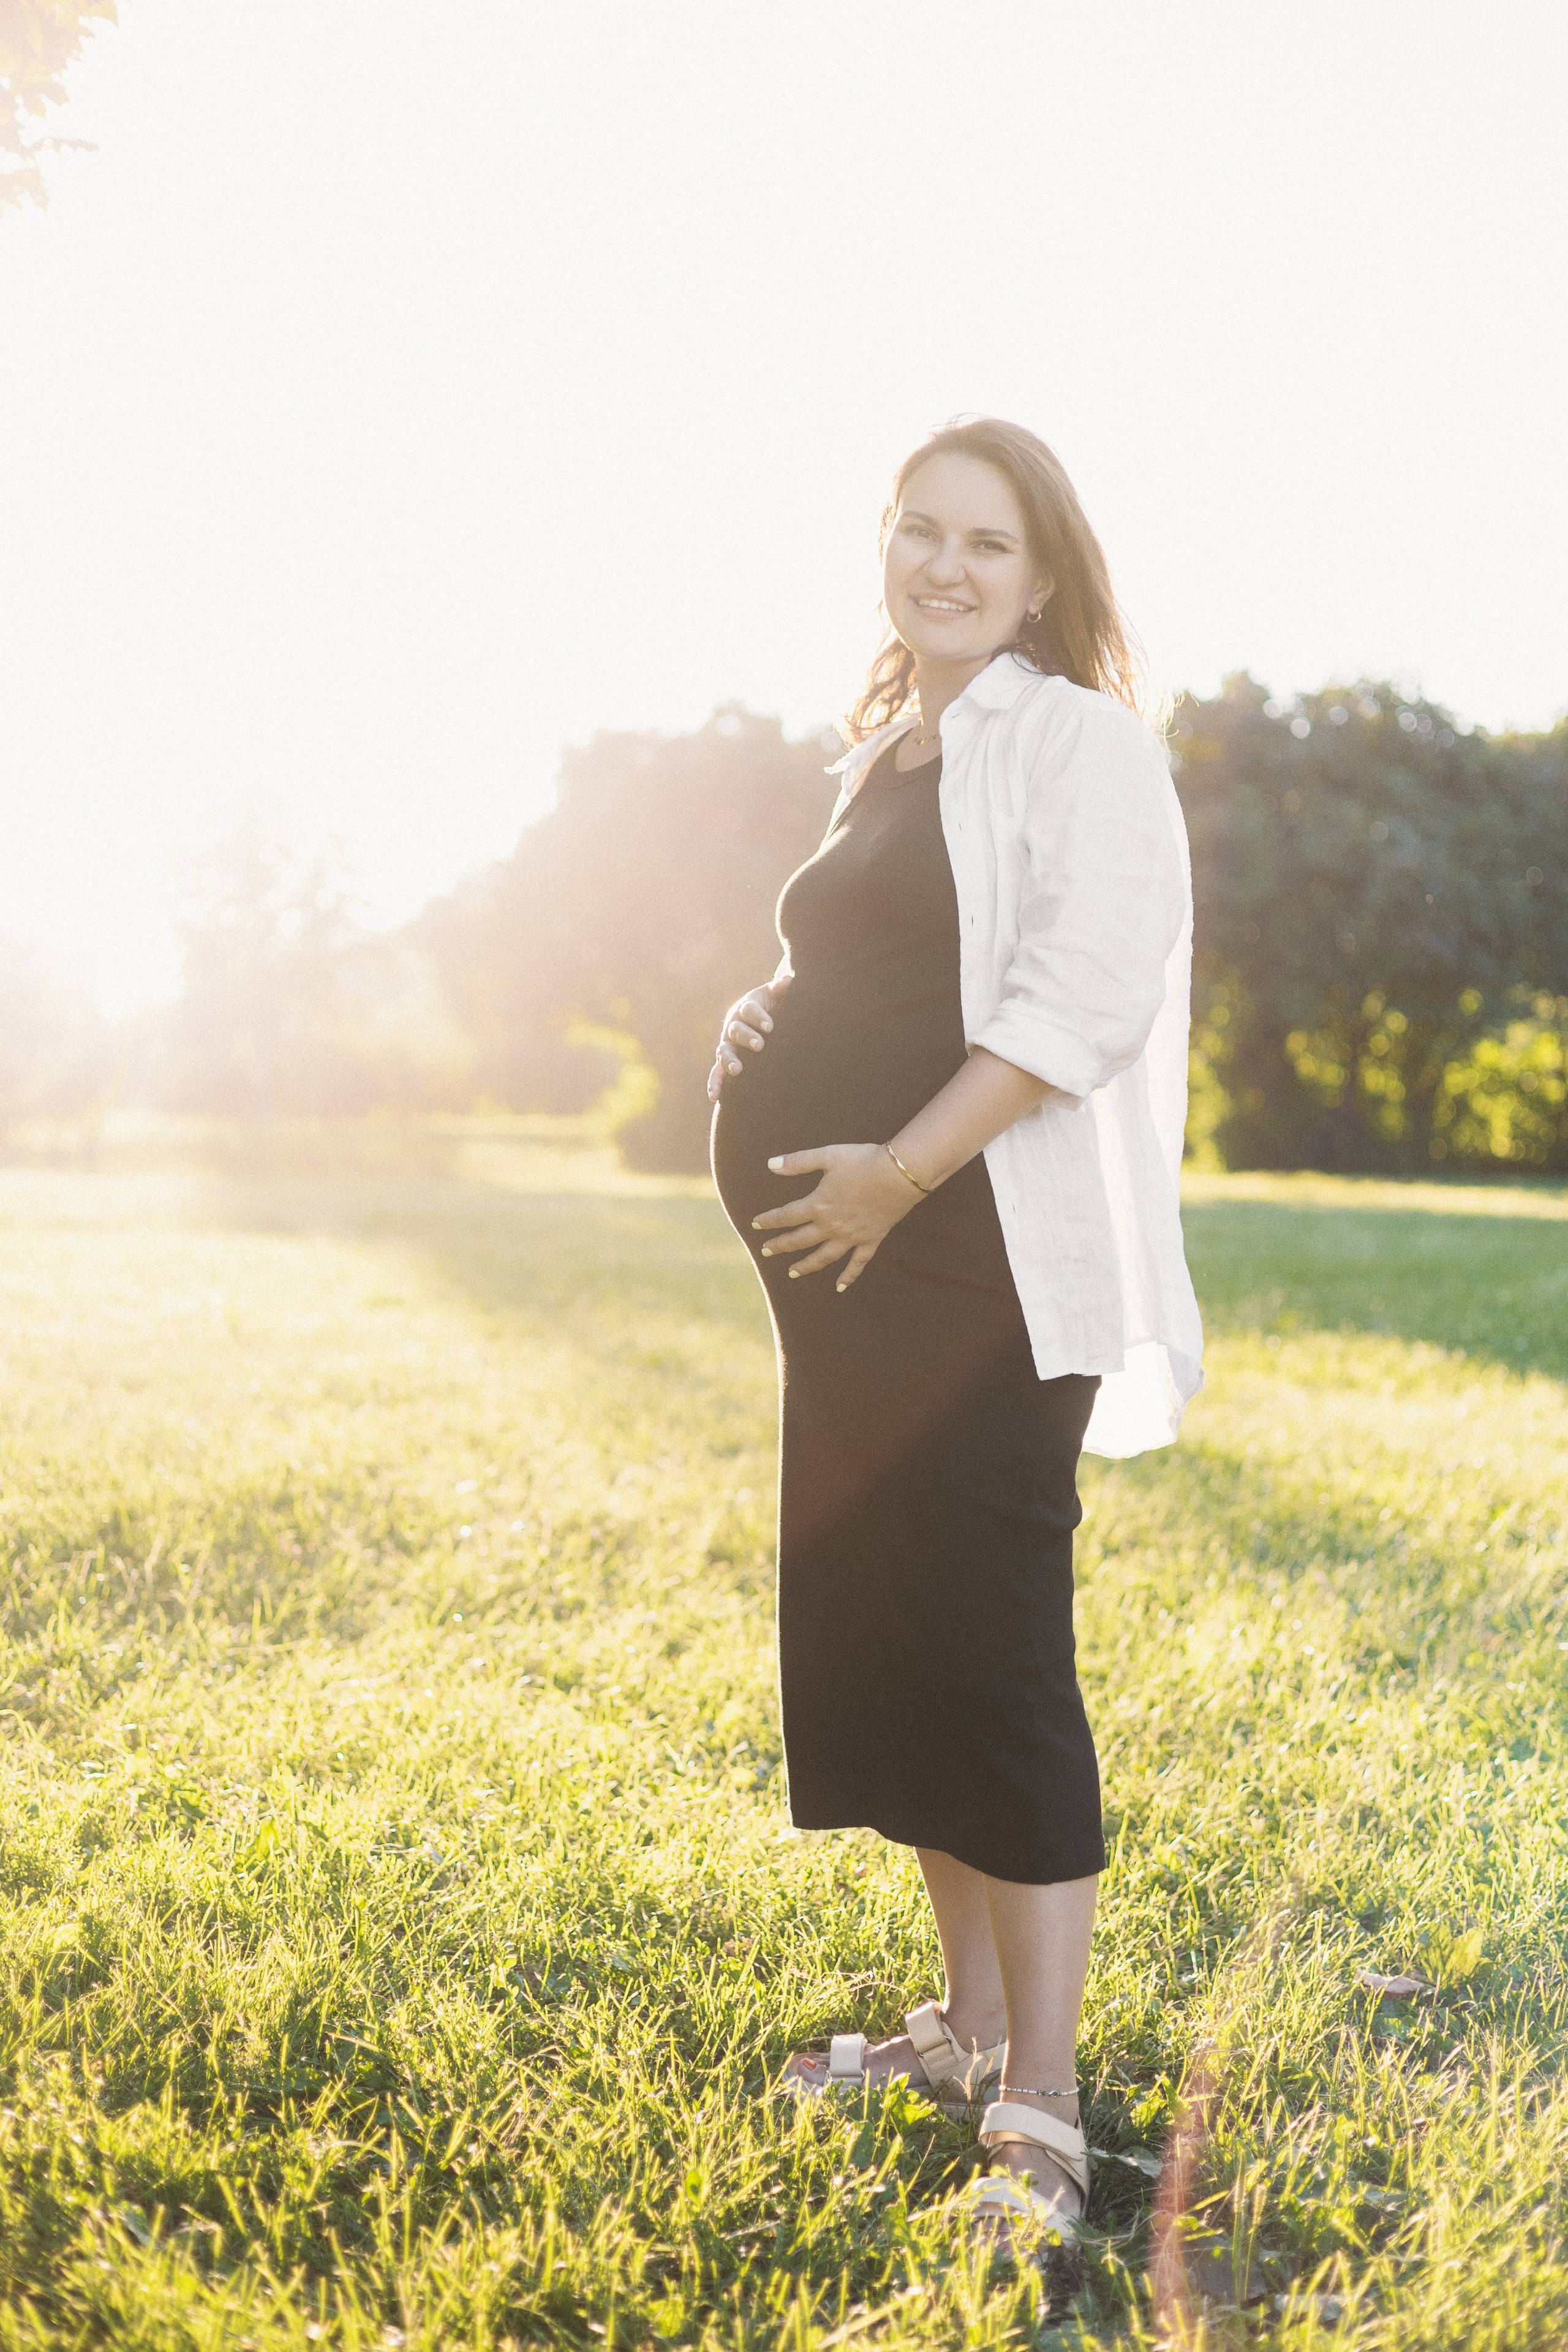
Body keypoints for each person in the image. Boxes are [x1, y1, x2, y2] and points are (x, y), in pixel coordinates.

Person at [707, 416, 1203, 2258]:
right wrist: (768, 1014)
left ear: (1046, 577)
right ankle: (970, 2028)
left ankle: (1047, 2106)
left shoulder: (1080, 744)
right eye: (918, 530)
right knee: (891, 1634)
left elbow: (1079, 991)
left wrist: (897, 1174)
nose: (943, 565)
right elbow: (882, 957)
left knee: (989, 1648)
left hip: (975, 1265)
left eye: (985, 544)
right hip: (844, 1287)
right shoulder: (889, 749)